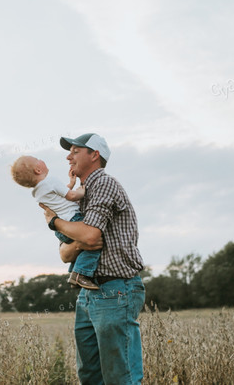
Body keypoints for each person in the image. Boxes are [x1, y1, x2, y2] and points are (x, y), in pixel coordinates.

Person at [41, 133, 145, 384]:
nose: (68, 156)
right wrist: (74, 236)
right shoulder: (77, 196)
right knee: (89, 375)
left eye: (75, 151)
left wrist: (54, 222)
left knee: (120, 376)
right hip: (88, 293)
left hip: (115, 288)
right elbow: (66, 254)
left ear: (94, 155)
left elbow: (89, 237)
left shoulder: (104, 184)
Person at [11, 155, 101, 289]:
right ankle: (80, 274)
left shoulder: (38, 191)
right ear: (38, 169)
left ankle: (73, 273)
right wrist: (82, 191)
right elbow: (70, 196)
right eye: (38, 159)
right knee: (93, 242)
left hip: (60, 229)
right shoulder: (51, 181)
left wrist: (71, 183)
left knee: (82, 248)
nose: (41, 159)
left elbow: (59, 194)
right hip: (73, 220)